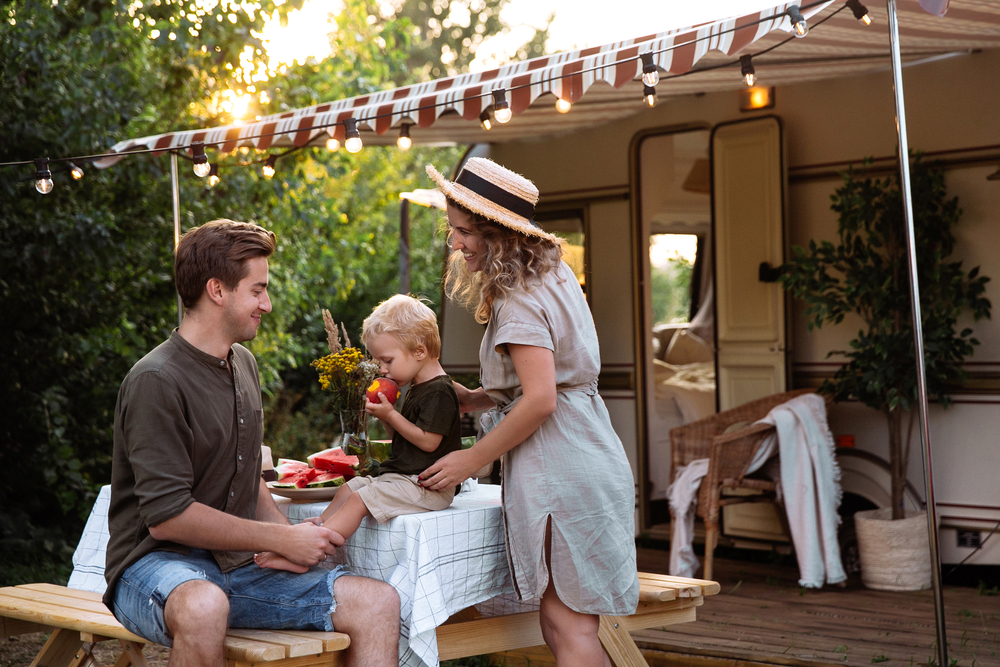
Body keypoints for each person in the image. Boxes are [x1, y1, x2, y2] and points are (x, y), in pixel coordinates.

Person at [104, 219, 399, 667]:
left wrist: (289, 540)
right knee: (204, 606)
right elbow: (167, 518)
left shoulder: (242, 363)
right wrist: (278, 537)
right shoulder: (155, 380)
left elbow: (246, 478)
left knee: (377, 603)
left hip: (238, 568)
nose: (268, 303)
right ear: (217, 290)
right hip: (154, 567)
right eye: (257, 290)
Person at [418, 159, 639, 667]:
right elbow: (537, 383)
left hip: (562, 461)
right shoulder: (553, 274)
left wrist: (469, 460)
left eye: (465, 231)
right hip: (585, 448)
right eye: (453, 229)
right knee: (567, 622)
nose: (454, 243)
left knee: (568, 625)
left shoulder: (518, 300)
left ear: (499, 235)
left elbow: (540, 400)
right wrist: (469, 397)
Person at [255, 294, 462, 573]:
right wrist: (387, 418)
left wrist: (391, 415)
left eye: (387, 359)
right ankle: (319, 527)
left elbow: (428, 442)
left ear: (420, 351)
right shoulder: (418, 386)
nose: (381, 369)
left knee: (359, 499)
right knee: (350, 488)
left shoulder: (439, 391)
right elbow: (405, 440)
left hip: (428, 487)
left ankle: (308, 554)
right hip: (406, 478)